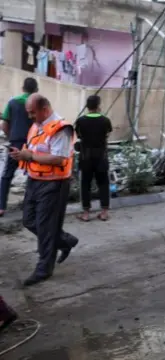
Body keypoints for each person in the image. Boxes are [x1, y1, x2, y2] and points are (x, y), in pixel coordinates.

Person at [9, 94, 79, 286]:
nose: (30, 116)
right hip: (34, 181)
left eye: (32, 112)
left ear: (44, 109)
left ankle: (44, 269)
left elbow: (58, 158)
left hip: (53, 184)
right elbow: (35, 150)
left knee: (46, 227)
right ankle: (64, 241)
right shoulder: (36, 126)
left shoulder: (60, 128)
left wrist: (29, 156)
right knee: (29, 220)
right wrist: (22, 156)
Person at [0, 77, 38, 217]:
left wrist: (11, 136)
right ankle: (29, 206)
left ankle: (1, 207)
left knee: (7, 175)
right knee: (33, 174)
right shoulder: (38, 103)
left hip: (15, 143)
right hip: (33, 144)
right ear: (36, 90)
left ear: (23, 88)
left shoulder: (12, 102)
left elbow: (4, 125)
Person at [75, 95, 113, 222]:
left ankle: (86, 214)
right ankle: (104, 212)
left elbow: (79, 135)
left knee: (85, 184)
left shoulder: (80, 121)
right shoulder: (105, 121)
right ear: (98, 105)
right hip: (101, 156)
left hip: (86, 157)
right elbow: (107, 134)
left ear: (87, 106)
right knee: (103, 183)